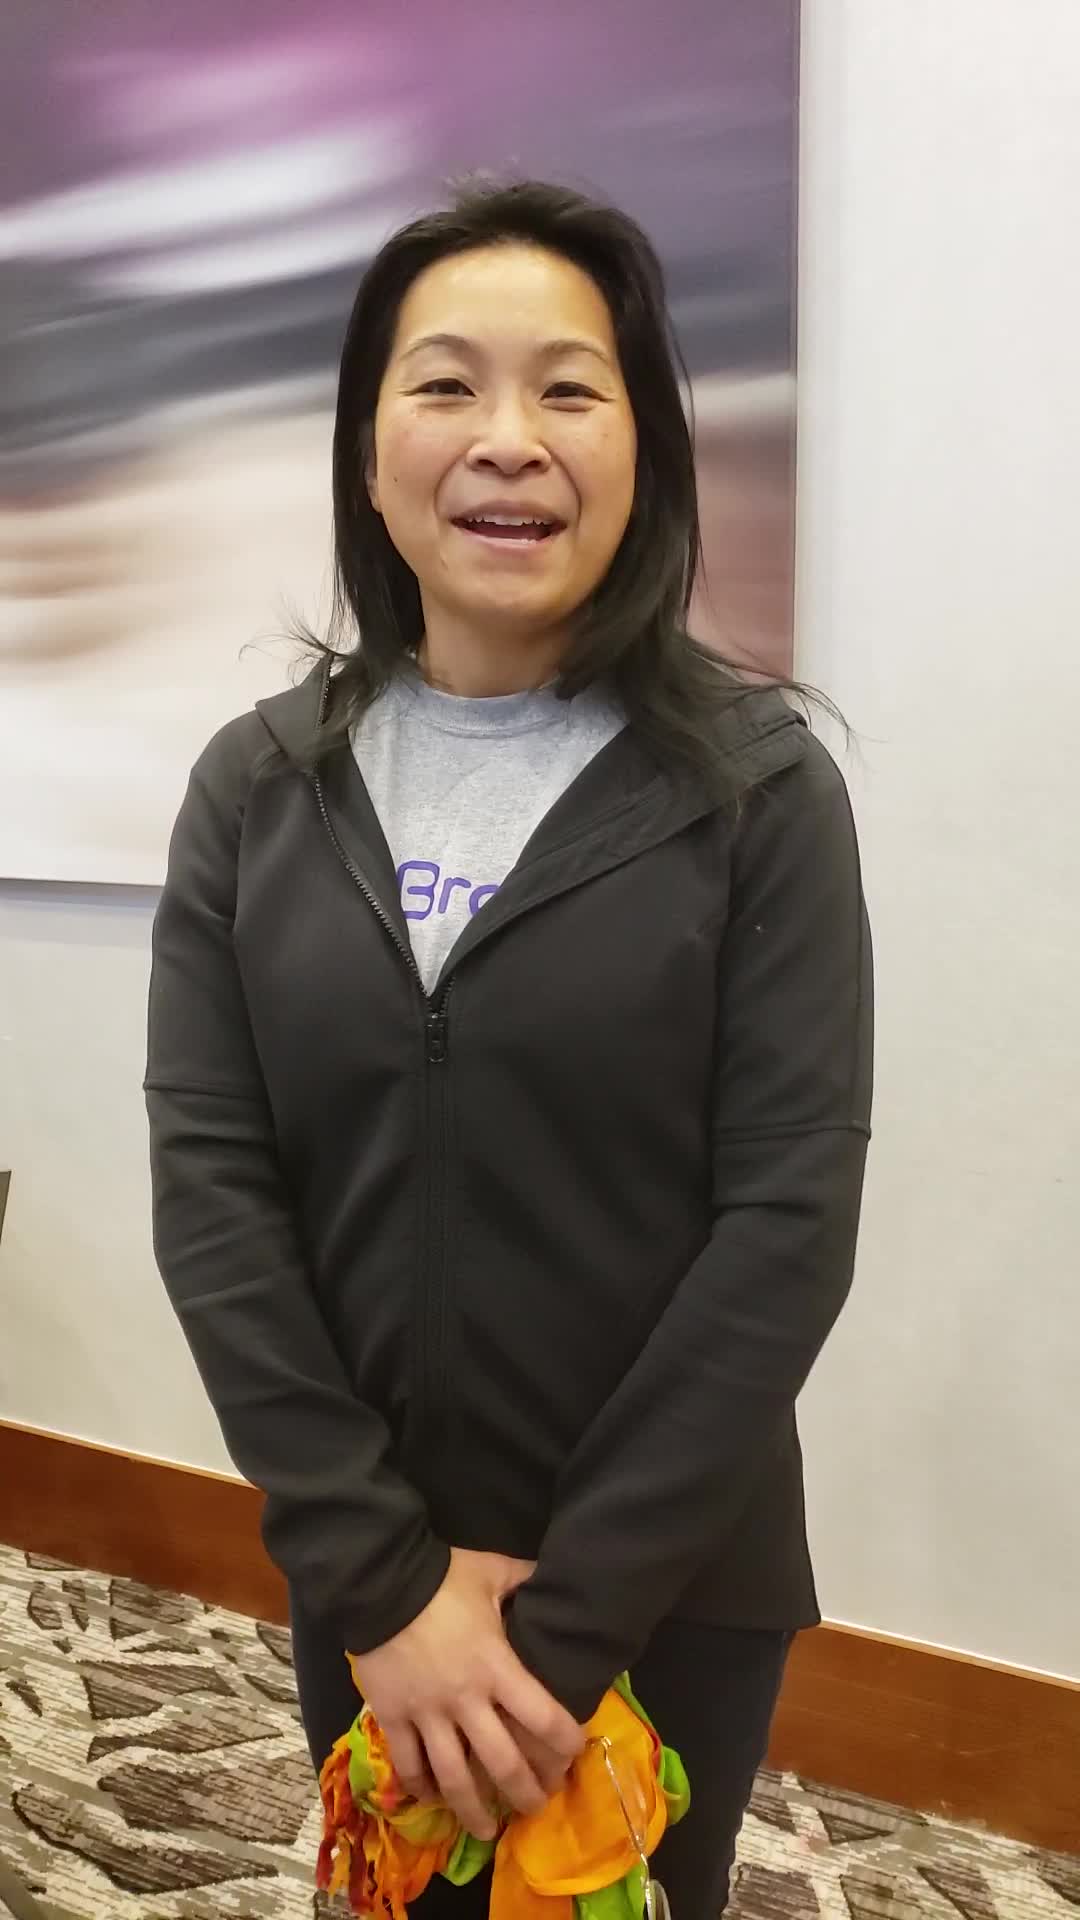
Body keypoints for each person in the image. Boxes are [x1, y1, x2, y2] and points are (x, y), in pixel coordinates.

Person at [145, 178, 873, 1918]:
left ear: (643, 449)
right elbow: (217, 1192)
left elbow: (785, 1226)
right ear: (369, 449)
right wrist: (386, 1587)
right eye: (446, 385)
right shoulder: (256, 787)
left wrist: (561, 1629)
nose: (508, 440)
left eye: (568, 388)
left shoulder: (759, 791)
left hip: (667, 1582)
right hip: (367, 1576)